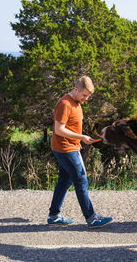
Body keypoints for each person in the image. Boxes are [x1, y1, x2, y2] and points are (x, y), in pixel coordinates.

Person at [48, 75, 112, 228]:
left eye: (88, 96)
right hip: (65, 148)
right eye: (84, 95)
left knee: (65, 180)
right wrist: (81, 137)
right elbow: (59, 129)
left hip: (70, 146)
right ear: (76, 89)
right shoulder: (64, 103)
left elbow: (69, 127)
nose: (86, 99)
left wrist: (77, 141)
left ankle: (54, 216)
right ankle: (91, 218)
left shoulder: (76, 102)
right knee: (81, 180)